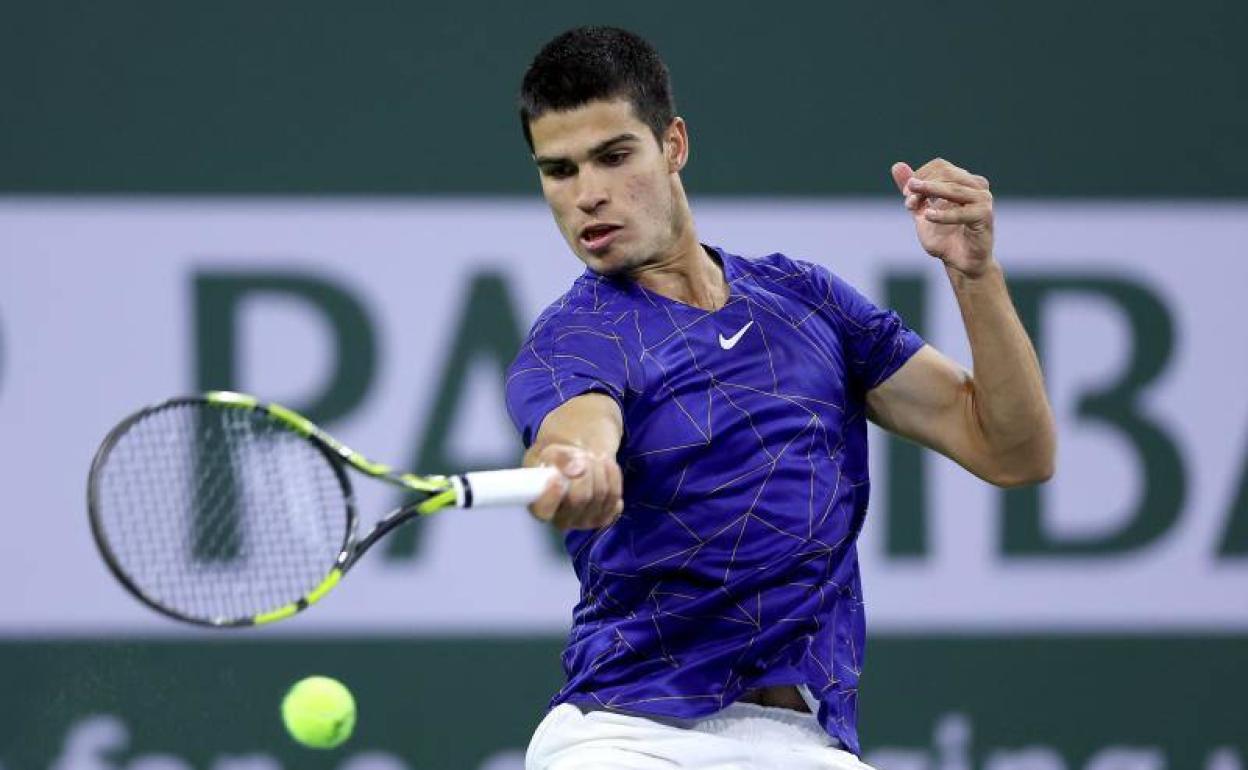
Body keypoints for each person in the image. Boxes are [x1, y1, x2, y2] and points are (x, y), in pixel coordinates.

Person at [505, 26, 1055, 770]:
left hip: (804, 744)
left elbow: (1015, 450)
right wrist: (576, 464)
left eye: (613, 156)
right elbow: (575, 430)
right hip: (625, 740)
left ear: (674, 145)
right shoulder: (574, 339)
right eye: (559, 171)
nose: (587, 194)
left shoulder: (805, 299)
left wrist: (976, 274)